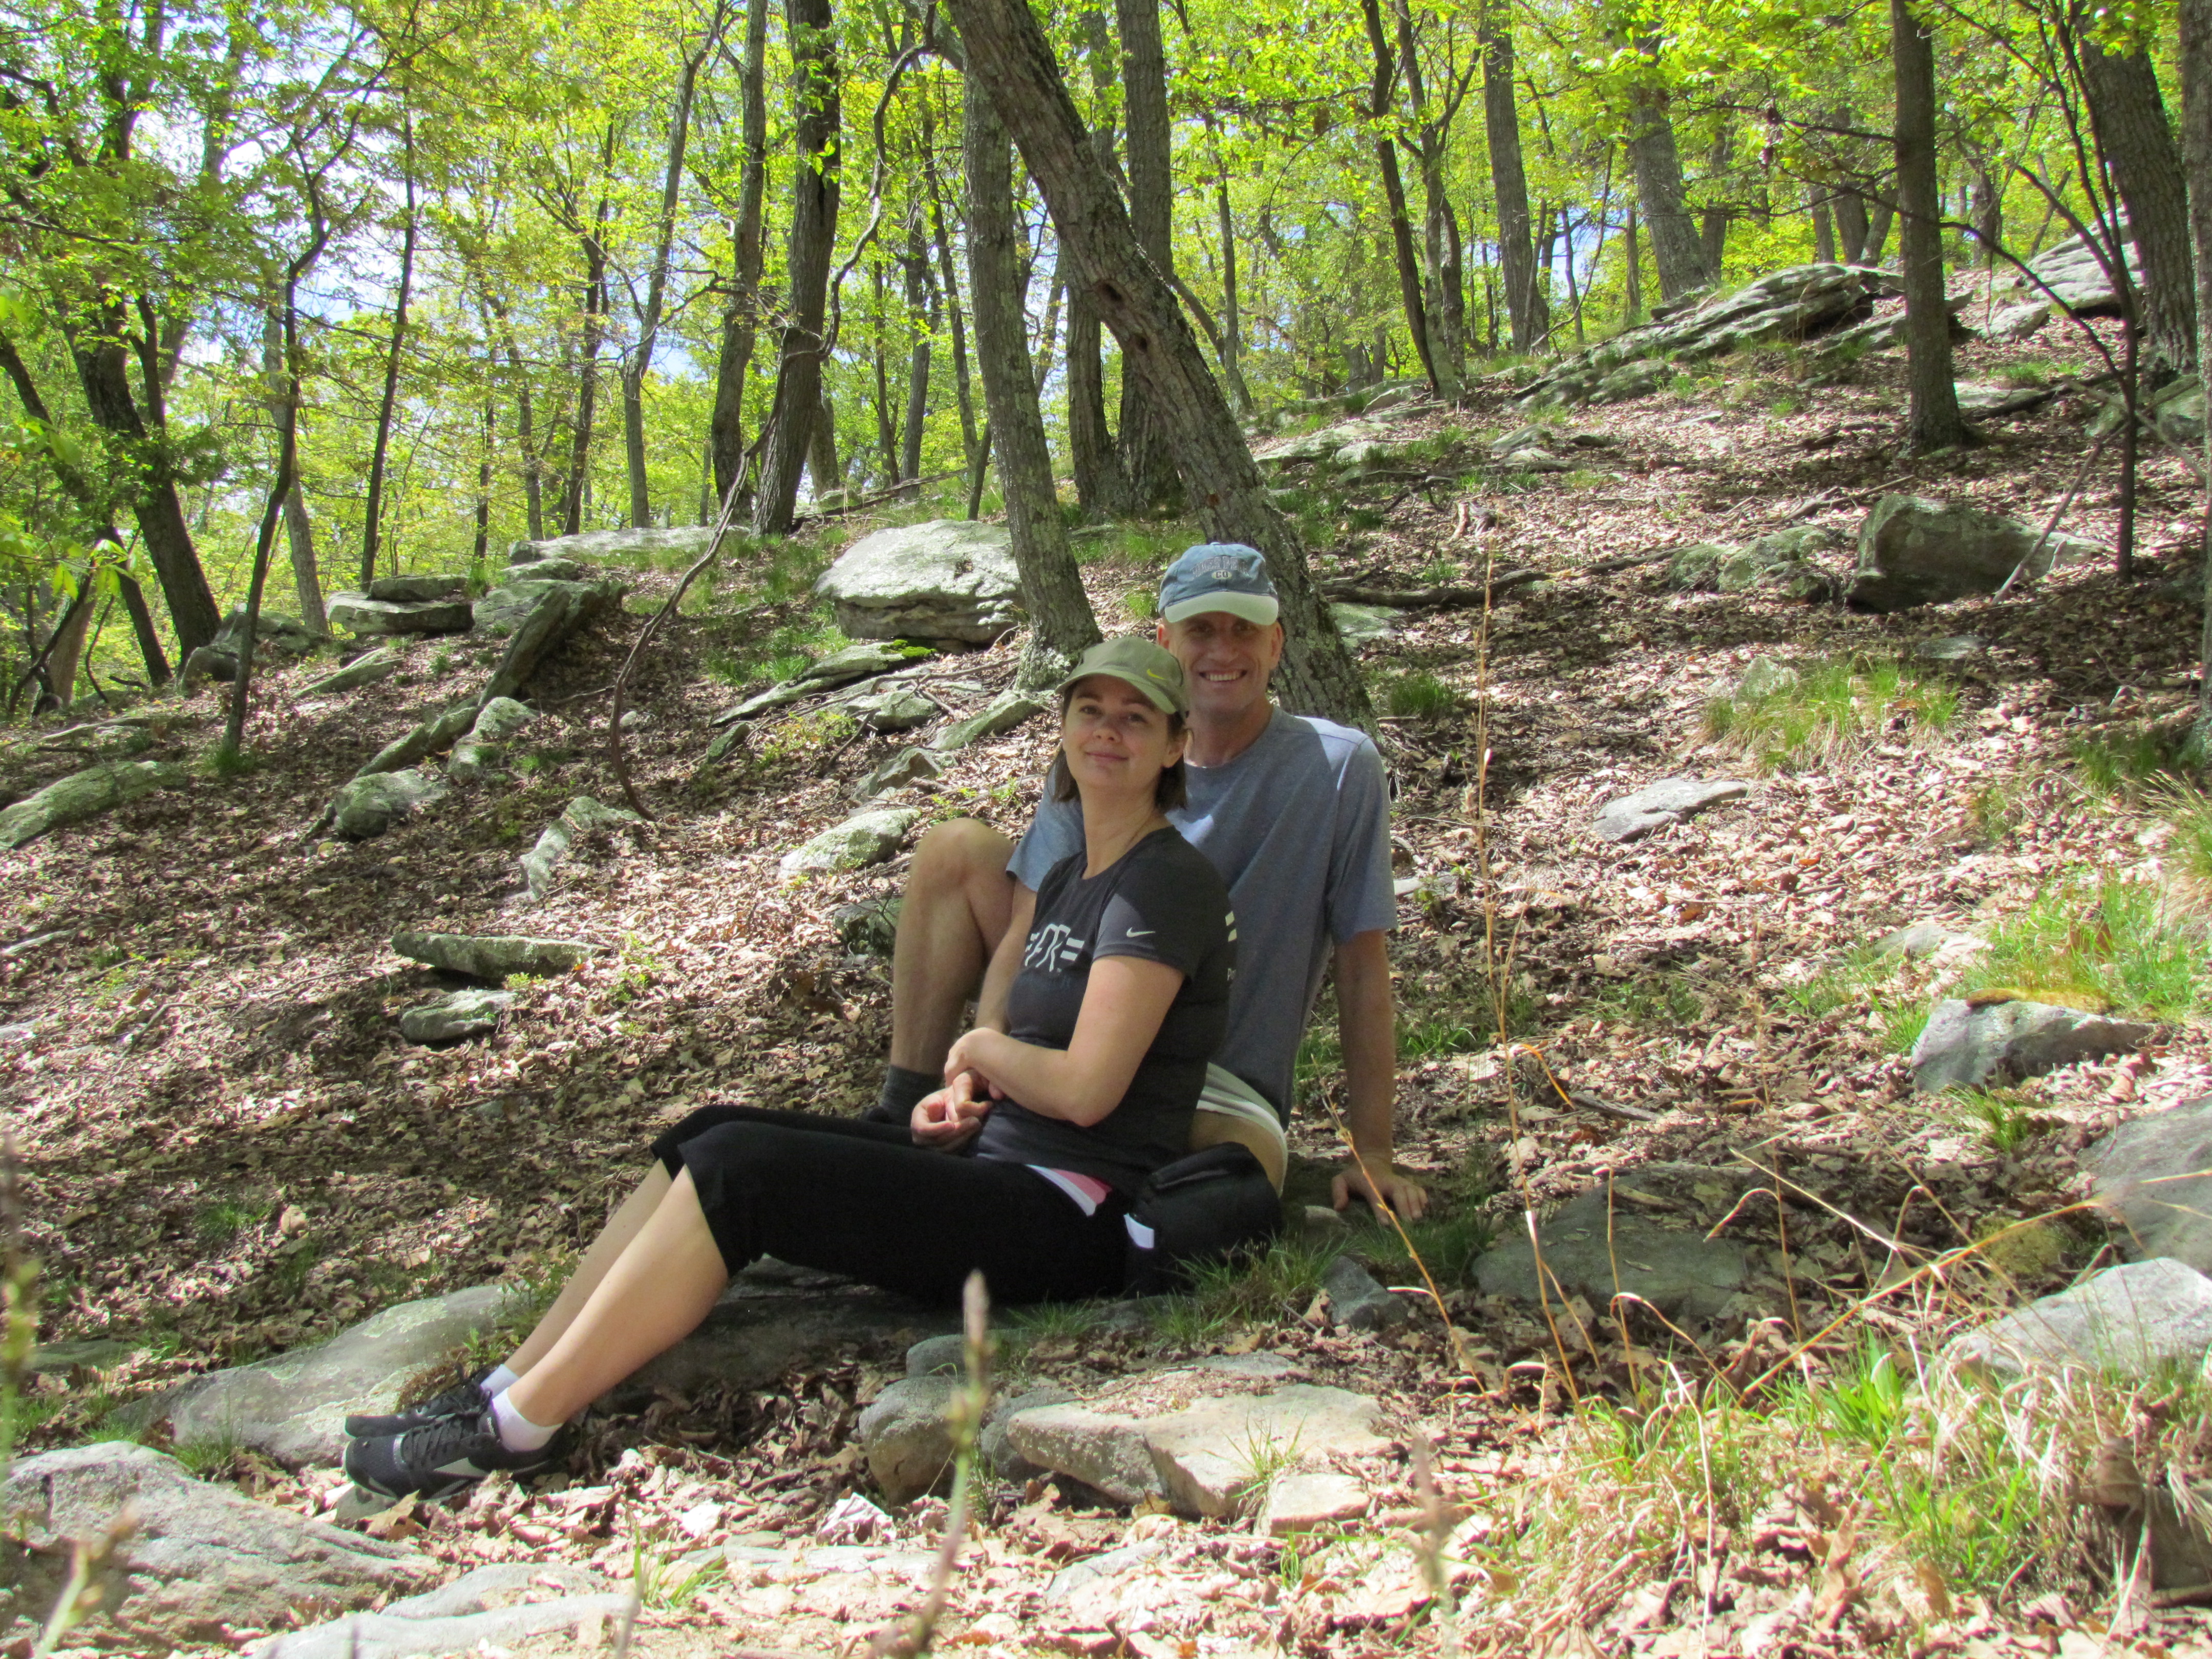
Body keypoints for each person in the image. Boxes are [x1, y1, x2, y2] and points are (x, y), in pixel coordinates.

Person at [344, 639, 1235, 1501]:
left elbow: (1086, 1089)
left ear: (1173, 746)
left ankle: (518, 1429)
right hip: (995, 1161)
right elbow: (1031, 1041)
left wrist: (973, 1051)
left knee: (744, 1174)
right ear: (1064, 729)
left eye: (1134, 718)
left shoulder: (1164, 883)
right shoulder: (1080, 865)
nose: (1107, 732)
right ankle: (503, 1383)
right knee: (706, 1132)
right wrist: (963, 1094)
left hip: (1072, 1216)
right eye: (1090, 712)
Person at [875, 543, 1428, 1219]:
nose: (1223, 650)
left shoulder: (1339, 769)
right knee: (955, 848)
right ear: (1165, 641)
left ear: (1277, 643)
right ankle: (903, 1115)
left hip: (1204, 1073)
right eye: (1201, 630)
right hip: (1079, 1034)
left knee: (1223, 1178)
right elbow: (1030, 927)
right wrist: (977, 1064)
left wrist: (1372, 1149)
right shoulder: (1110, 753)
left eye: (1244, 629)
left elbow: (1363, 963)